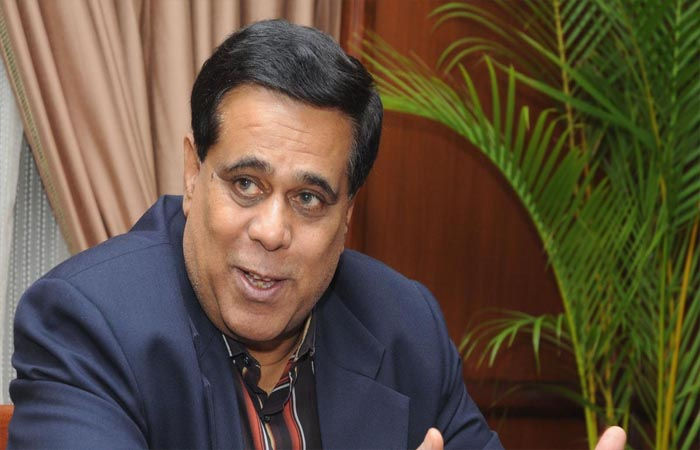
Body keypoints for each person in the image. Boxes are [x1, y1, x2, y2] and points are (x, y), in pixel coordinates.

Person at [8, 20, 625, 450]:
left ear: (347, 214)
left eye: (308, 199)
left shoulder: (404, 324)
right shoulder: (88, 323)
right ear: (193, 174)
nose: (272, 231)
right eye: (245, 184)